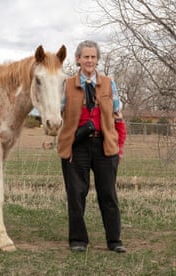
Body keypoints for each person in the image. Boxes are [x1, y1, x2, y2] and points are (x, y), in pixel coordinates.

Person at [57, 40, 127, 253]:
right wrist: (65, 146)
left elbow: (118, 116)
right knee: (76, 194)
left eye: (93, 57)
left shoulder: (108, 83)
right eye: (85, 57)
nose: (89, 61)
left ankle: (114, 241)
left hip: (104, 145)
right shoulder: (67, 84)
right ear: (78, 59)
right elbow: (59, 117)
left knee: (108, 195)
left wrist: (119, 147)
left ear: (97, 60)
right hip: (77, 146)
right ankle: (78, 240)